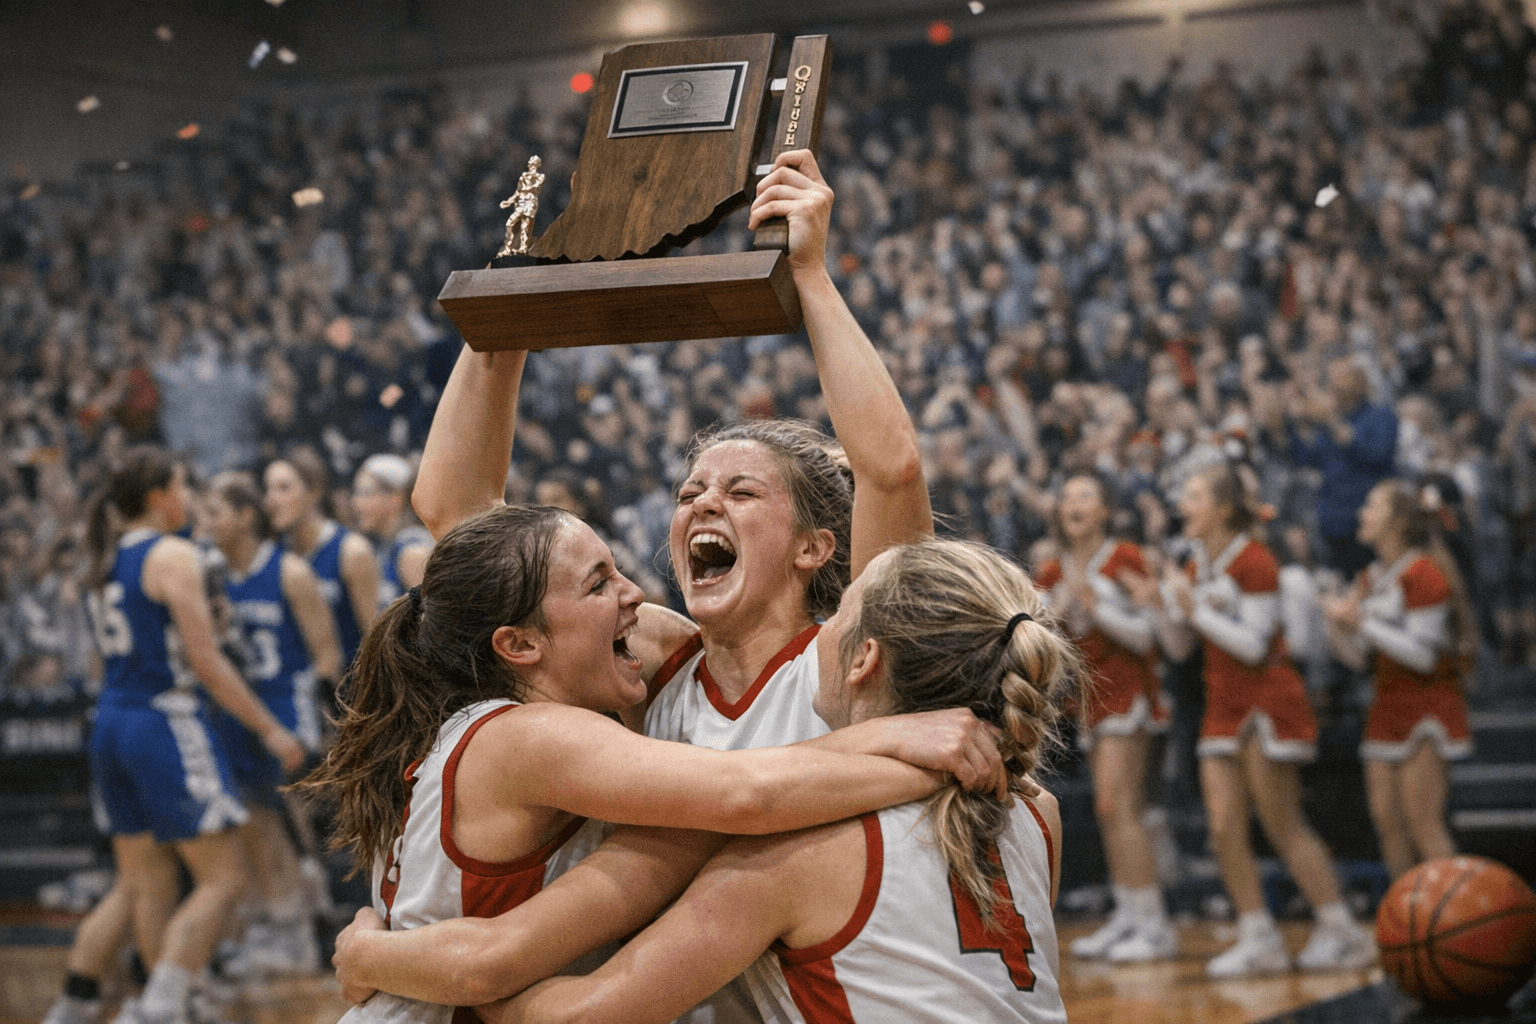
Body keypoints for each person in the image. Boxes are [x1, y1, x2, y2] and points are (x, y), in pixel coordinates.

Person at [343, 148, 939, 1023]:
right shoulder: (653, 657)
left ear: (817, 546)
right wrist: (506, 319)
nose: (703, 503)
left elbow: (891, 472)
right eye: (690, 491)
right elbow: (464, 526)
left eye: (740, 492)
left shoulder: (846, 660)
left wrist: (811, 275)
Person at [300, 506, 1006, 1024]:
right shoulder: (530, 737)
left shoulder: (501, 734)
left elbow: (725, 805)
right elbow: (744, 793)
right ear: (518, 645)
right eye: (599, 584)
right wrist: (917, 751)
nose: (634, 594)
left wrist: (368, 958)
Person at [460, 539, 1076, 1024]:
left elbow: (581, 1016)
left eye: (839, 612)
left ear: (864, 659)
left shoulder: (793, 851)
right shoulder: (1036, 813)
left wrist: (468, 997)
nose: (821, 629)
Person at [40, 448, 304, 1024]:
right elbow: (207, 663)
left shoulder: (105, 555)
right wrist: (270, 728)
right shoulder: (172, 553)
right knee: (225, 879)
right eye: (182, 487)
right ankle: (159, 1006)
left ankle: (78, 1004)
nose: (188, 499)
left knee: (143, 884)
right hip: (163, 720)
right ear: (159, 495)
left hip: (111, 720)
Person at [1151, 463, 1374, 977]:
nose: (1182, 505)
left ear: (1223, 508)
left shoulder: (1254, 560)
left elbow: (1254, 646)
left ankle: (1341, 929)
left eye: (1194, 495)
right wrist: (1162, 606)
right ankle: (1258, 935)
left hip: (1267, 702)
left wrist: (1193, 609)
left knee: (1281, 822)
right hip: (1221, 703)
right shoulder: (1197, 564)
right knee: (1223, 827)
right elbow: (1180, 647)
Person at [200, 471, 343, 977]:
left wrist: (326, 726)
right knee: (254, 823)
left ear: (245, 517)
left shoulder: (290, 572)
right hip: (239, 711)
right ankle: (279, 923)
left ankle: (309, 924)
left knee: (290, 825)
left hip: (288, 708)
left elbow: (327, 654)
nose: (206, 523)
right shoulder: (212, 575)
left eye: (215, 512)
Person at [1036, 471, 1175, 962]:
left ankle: (1153, 925)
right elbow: (1045, 639)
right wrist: (1058, 611)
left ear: (1105, 512)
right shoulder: (1053, 569)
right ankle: (1130, 912)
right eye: (1067, 495)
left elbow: (1147, 636)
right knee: (1108, 809)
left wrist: (1093, 605)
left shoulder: (1125, 558)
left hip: (1130, 692)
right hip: (1088, 701)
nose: (1073, 502)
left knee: (1120, 806)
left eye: (1085, 495)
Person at [1321, 480, 1475, 879]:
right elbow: (1361, 659)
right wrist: (1337, 627)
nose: (1362, 514)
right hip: (1385, 703)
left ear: (1398, 522)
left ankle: (1453, 911)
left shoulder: (1423, 572)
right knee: (1388, 823)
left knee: (1423, 821)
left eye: (1372, 507)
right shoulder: (1372, 577)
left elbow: (1423, 656)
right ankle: (1407, 911)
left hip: (1428, 704)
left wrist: (1361, 623)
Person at [263, 448, 378, 669]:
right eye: (267, 489)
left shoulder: (351, 551)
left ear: (314, 492)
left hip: (349, 680)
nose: (271, 500)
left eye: (283, 488)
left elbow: (376, 636)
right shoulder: (275, 554)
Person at [1288, 356, 1398, 578]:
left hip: (1368, 518)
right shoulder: (1327, 424)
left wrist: (1333, 421)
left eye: (1342, 377)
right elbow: (1306, 458)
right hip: (1334, 522)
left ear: (1360, 380)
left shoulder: (1380, 415)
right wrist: (1296, 424)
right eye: (1331, 378)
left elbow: (1377, 455)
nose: (1334, 384)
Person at [351, 454, 433, 609]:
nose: (356, 502)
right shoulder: (384, 544)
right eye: (356, 493)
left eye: (366, 493)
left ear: (396, 498)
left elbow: (435, 617)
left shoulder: (412, 551)